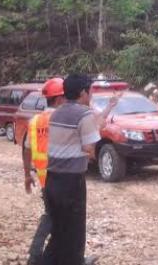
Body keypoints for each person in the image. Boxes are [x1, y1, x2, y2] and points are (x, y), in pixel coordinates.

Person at [42, 74, 100, 265]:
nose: (91, 95)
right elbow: (89, 149)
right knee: (75, 231)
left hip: (52, 179)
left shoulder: (56, 112)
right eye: (90, 91)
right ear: (83, 92)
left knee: (58, 231)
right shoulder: (84, 114)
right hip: (71, 182)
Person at [23, 78, 65, 265]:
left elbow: (26, 148)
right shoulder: (63, 118)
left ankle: (48, 255)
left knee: (53, 216)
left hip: (44, 178)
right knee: (57, 217)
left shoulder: (35, 121)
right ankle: (38, 256)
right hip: (63, 177)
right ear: (59, 99)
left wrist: (26, 174)